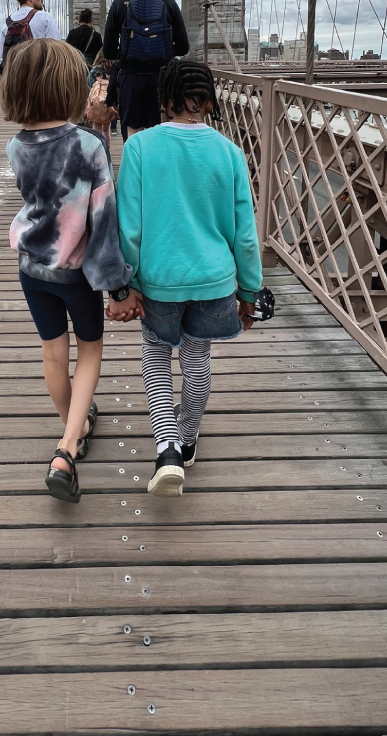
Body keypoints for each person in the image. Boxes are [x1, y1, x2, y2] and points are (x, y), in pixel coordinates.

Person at [114, 59, 263, 496]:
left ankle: (167, 449)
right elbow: (245, 233)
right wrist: (250, 291)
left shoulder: (140, 147)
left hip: (159, 279)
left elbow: (129, 226)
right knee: (198, 360)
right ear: (212, 103)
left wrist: (129, 282)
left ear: (161, 101)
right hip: (215, 283)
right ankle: (190, 439)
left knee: (157, 356)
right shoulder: (230, 153)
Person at [1, 38, 134, 504]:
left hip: (32, 268)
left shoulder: (16, 147)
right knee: (90, 353)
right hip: (77, 274)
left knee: (53, 357)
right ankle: (64, 451)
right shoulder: (90, 145)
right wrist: (118, 286)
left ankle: (73, 428)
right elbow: (103, 223)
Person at [102, 0, 189, 139]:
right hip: (163, 79)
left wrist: (128, 51)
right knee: (162, 133)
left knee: (132, 135)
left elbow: (109, 52)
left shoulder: (119, 5)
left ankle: (135, 165)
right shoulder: (169, 3)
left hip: (130, 80)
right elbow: (183, 47)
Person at [0, 0, 61, 68]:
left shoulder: (7, 24)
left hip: (14, 77)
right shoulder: (45, 17)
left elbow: (2, 58)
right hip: (39, 76)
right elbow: (56, 52)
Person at [84, 54, 118, 161]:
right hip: (107, 106)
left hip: (97, 106)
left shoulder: (95, 71)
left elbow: (89, 85)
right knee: (106, 130)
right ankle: (106, 148)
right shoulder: (115, 70)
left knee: (97, 129)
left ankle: (98, 149)